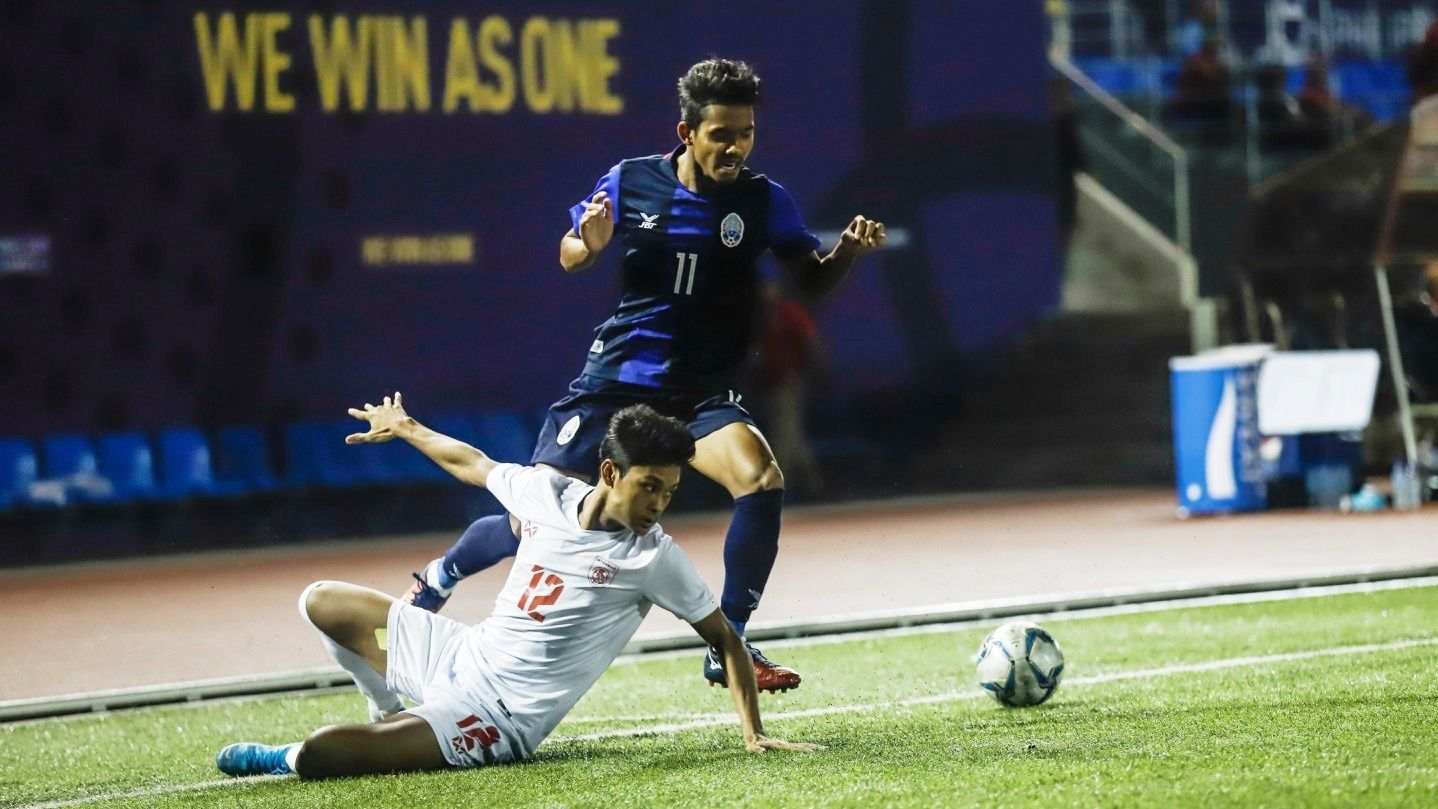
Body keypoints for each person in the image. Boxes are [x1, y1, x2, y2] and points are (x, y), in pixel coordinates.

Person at [401, 57, 887, 694]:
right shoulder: (631, 181)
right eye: (722, 134)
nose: (736, 147)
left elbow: (813, 281)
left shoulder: (765, 200)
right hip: (617, 383)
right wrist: (590, 244)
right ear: (687, 133)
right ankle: (438, 580)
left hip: (699, 390)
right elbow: (570, 254)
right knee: (530, 524)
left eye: (745, 133)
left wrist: (846, 253)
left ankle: (729, 642)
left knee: (761, 477)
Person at [216, 394, 819, 779]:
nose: (659, 504)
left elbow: (724, 638)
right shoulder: (545, 494)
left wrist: (754, 733)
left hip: (498, 717)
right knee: (319, 599)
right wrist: (405, 427)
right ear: (610, 473)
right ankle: (387, 709)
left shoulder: (655, 559)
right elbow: (471, 463)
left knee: (321, 753)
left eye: (669, 491)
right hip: (458, 653)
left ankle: (284, 759)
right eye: (649, 487)